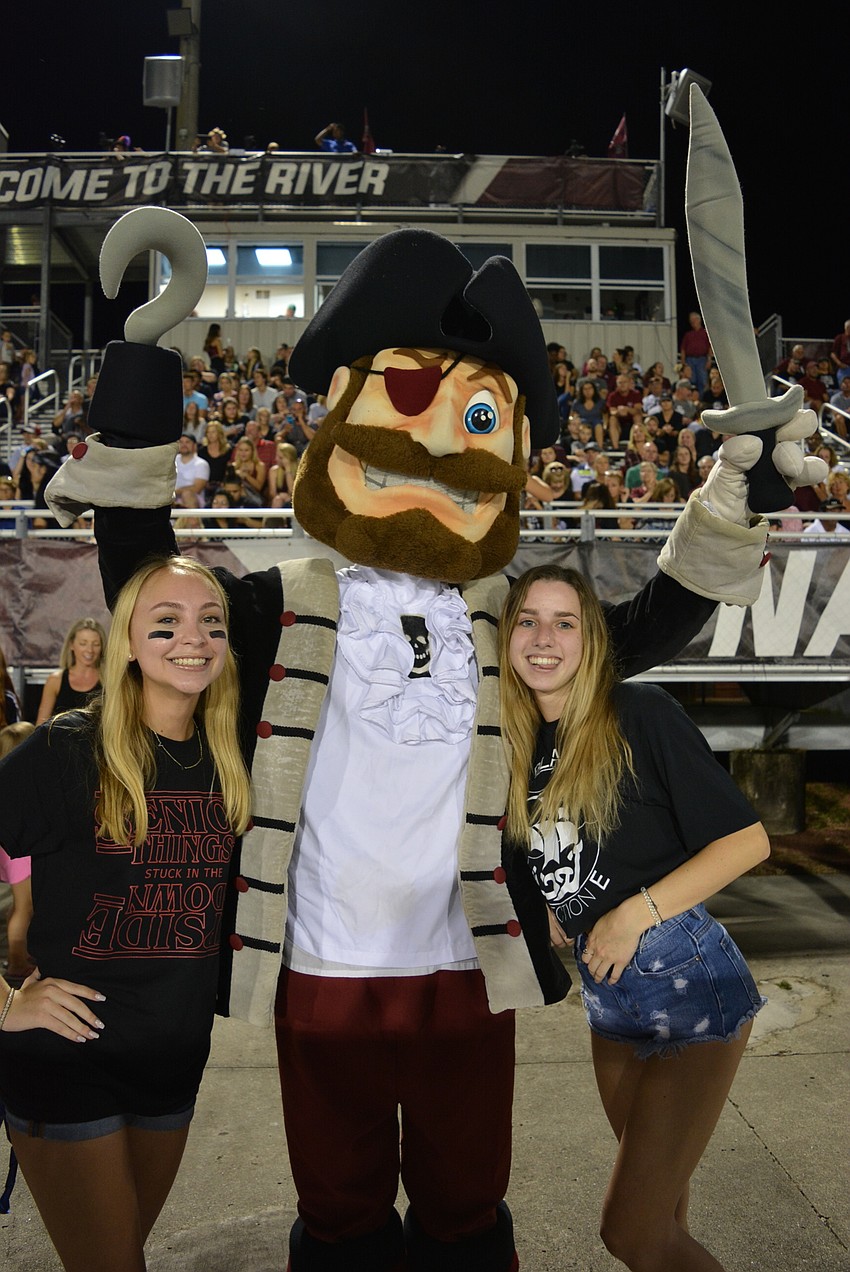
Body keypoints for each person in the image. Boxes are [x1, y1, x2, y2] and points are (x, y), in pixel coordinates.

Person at [46, 221, 821, 1272]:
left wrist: (732, 499)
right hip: (320, 962)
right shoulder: (280, 605)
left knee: (465, 1201)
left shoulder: (514, 619)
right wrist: (140, 379)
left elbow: (638, 631)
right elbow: (150, 590)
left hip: (468, 959)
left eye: (476, 418)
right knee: (339, 1202)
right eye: (404, 397)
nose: (435, 443)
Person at [498, 563, 769, 1272]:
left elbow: (748, 841)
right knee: (662, 1217)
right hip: (609, 996)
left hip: (690, 984)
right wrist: (553, 905)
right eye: (527, 619)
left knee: (631, 1231)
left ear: (592, 639)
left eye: (565, 622)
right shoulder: (515, 745)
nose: (544, 637)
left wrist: (630, 914)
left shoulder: (638, 714)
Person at [0, 555, 251, 1272]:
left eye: (211, 623)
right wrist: (6, 1002)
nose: (192, 639)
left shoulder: (228, 755)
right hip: (68, 1061)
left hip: (173, 1060)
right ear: (128, 643)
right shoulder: (65, 749)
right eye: (165, 623)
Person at [0, 721, 36, 985]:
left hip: (7, 853)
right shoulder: (24, 796)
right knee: (24, 906)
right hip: (18, 852)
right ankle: (16, 962)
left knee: (17, 906)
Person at [36, 617, 107, 725]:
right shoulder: (55, 681)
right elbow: (40, 726)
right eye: (83, 643)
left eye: (96, 644)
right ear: (71, 645)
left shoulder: (109, 680)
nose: (90, 650)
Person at [679, 311, 711, 395]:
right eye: (691, 320)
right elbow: (683, 349)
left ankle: (701, 398)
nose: (692, 322)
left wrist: (709, 360)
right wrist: (683, 362)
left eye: (694, 320)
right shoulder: (688, 334)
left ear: (699, 320)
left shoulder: (705, 333)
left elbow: (710, 348)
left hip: (702, 359)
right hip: (690, 360)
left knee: (702, 381)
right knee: (691, 380)